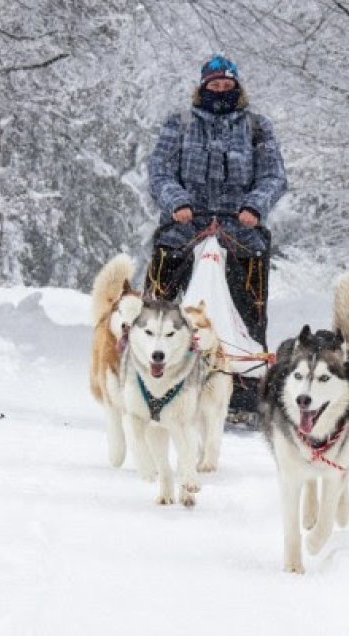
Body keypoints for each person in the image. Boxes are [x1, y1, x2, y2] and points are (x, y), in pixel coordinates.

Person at [145, 54, 288, 420]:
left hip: (238, 231)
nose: (221, 90)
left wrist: (255, 207)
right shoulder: (180, 124)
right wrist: (176, 201)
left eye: (227, 84)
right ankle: (151, 381)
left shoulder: (257, 127)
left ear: (236, 87)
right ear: (203, 86)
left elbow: (274, 176)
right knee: (159, 305)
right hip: (185, 227)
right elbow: (159, 172)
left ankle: (242, 393)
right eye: (214, 84)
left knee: (247, 309)